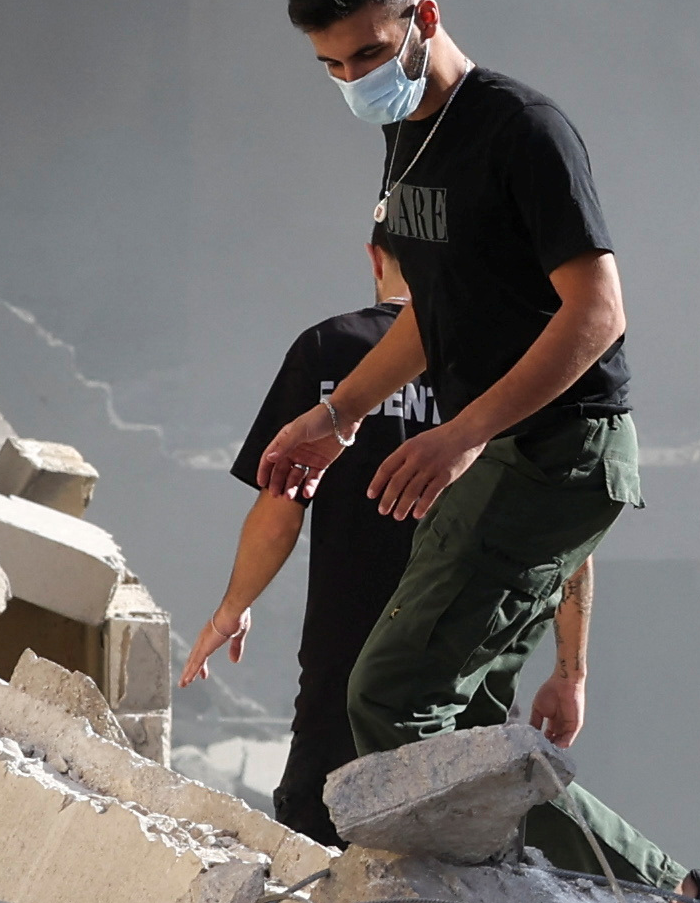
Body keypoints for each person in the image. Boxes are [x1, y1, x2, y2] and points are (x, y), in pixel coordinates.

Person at [254, 0, 700, 903]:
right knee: (463, 702)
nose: (353, 77)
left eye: (367, 52)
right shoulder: (407, 138)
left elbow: (599, 313)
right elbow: (434, 318)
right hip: (512, 453)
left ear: (422, 17)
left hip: (563, 453)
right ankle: (529, 898)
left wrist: (463, 432)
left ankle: (666, 891)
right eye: (329, 64)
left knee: (386, 697)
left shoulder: (521, 130)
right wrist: (339, 414)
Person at [186, 243, 598, 845]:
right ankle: (676, 890)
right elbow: (559, 530)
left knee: (317, 840)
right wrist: (570, 673)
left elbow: (281, 509)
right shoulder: (512, 366)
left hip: (345, 661)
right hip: (462, 662)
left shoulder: (330, 352)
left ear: (376, 258)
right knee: (477, 826)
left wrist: (231, 609)